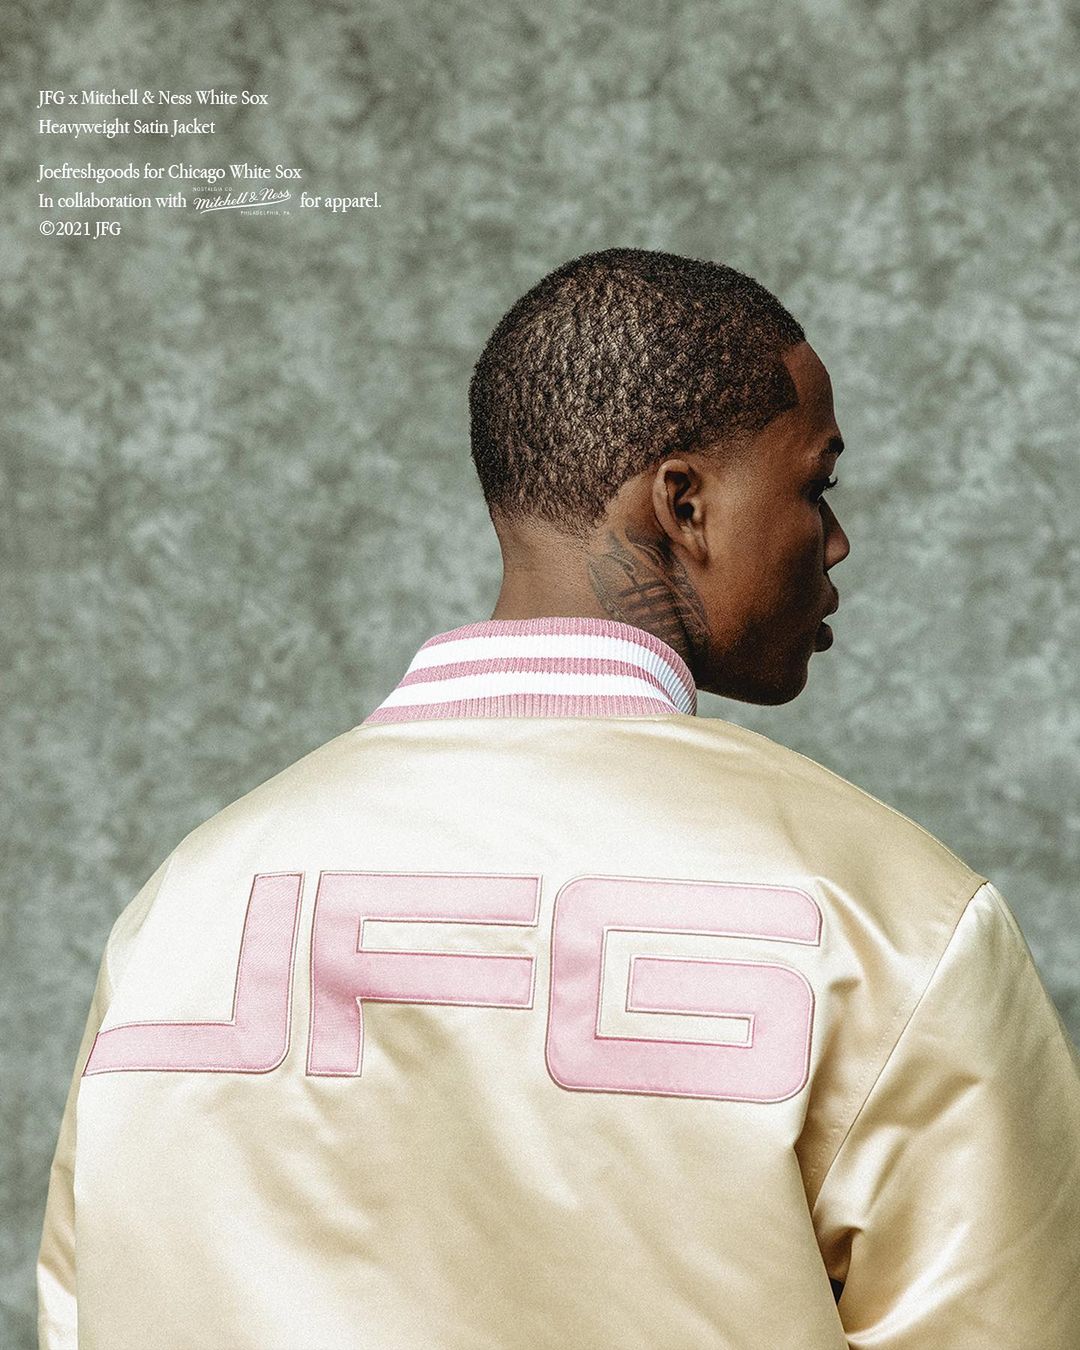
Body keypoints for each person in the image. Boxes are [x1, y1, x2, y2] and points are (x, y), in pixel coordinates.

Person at [38, 248, 1080, 1349]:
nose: (836, 539)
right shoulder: (893, 917)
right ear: (683, 503)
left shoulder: (184, 907)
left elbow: (84, 1311)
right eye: (815, 487)